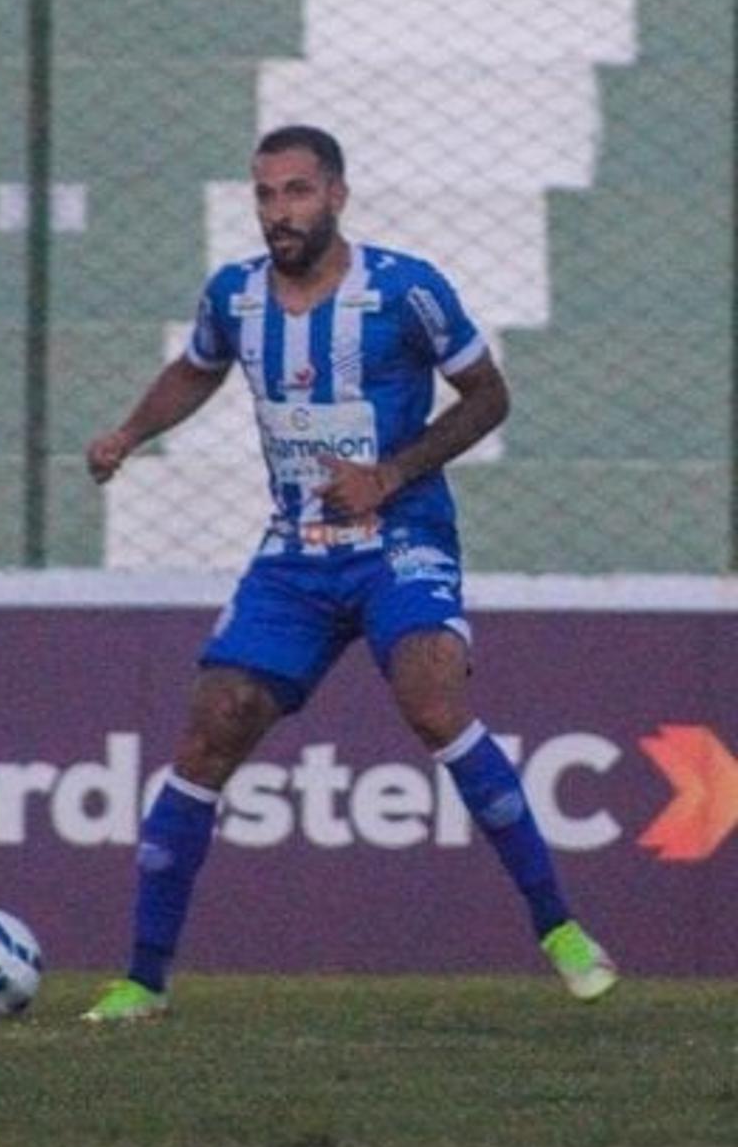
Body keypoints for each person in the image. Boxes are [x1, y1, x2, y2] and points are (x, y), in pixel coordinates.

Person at [81, 124, 617, 1022]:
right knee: (211, 729)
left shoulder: (405, 291)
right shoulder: (236, 297)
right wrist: (129, 435)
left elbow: (490, 395)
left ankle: (560, 928)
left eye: (295, 192)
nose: (278, 212)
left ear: (336, 196)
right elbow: (197, 367)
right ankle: (142, 979)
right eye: (263, 195)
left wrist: (391, 475)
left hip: (400, 538)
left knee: (433, 700)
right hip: (295, 555)